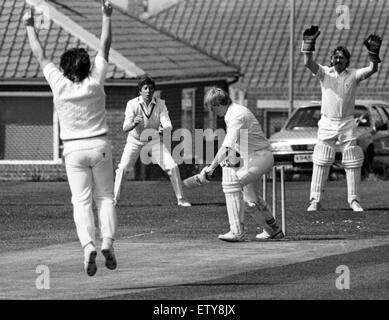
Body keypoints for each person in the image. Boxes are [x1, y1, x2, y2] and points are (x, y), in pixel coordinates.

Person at [24, 1, 117, 276]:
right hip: (99, 145)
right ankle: (108, 242)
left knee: (81, 201)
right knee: (106, 199)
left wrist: (29, 25)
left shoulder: (59, 83)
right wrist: (106, 16)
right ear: (87, 66)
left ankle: (88, 246)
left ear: (65, 68)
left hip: (73, 150)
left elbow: (40, 55)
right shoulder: (95, 80)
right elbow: (105, 45)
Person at [301, 25, 382, 212]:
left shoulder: (353, 75)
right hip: (327, 121)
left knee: (352, 160)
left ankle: (354, 200)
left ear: (347, 61)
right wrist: (308, 43)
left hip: (346, 122)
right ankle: (315, 200)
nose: (338, 60)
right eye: (335, 57)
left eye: (341, 58)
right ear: (331, 59)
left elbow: (372, 68)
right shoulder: (324, 73)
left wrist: (372, 53)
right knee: (321, 159)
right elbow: (308, 62)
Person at [202, 87, 284, 242]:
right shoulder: (233, 113)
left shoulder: (236, 116)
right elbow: (242, 144)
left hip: (259, 158)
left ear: (219, 104)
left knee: (231, 184)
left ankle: (236, 232)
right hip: (252, 159)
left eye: (213, 108)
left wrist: (211, 167)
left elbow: (227, 147)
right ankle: (273, 231)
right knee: (250, 201)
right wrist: (231, 162)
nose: (213, 112)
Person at [113, 75, 191, 207]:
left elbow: (167, 123)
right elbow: (125, 127)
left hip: (153, 141)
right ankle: (114, 200)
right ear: (140, 91)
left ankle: (181, 199)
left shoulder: (160, 104)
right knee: (123, 168)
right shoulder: (132, 104)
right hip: (135, 140)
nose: (148, 91)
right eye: (145, 88)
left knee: (172, 166)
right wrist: (133, 123)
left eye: (150, 88)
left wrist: (163, 128)